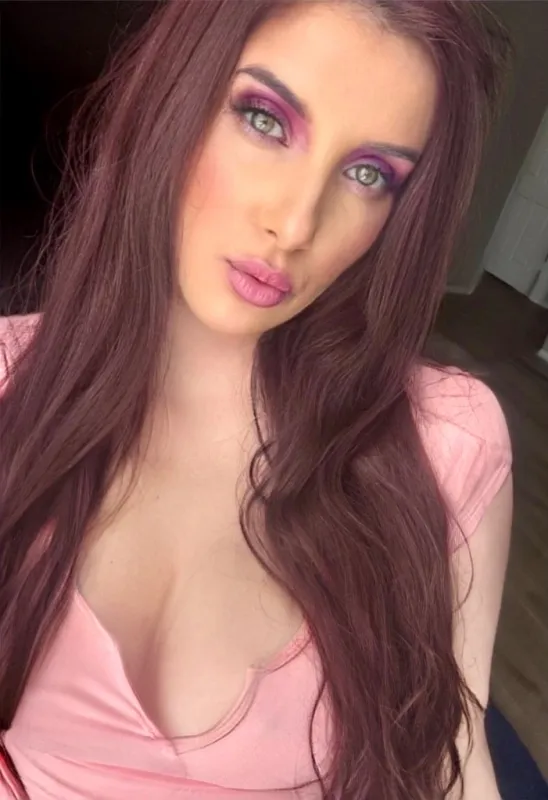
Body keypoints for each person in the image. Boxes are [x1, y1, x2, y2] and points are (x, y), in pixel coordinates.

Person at [0, 1, 514, 798]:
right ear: (175, 95)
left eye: (368, 174)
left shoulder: (449, 442)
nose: (295, 223)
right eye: (265, 120)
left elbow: (456, 762)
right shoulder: (9, 387)